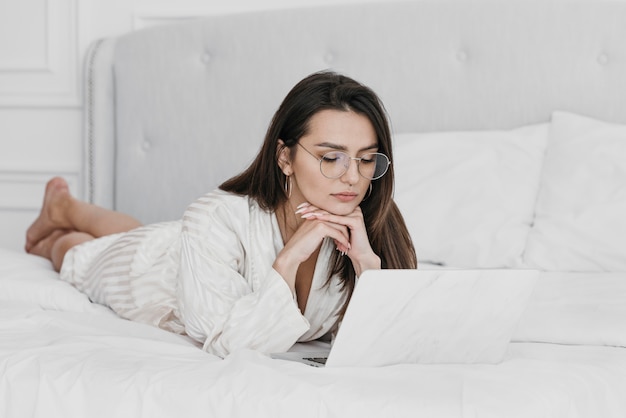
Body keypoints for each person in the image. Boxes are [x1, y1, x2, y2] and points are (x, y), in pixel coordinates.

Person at [25, 71, 417, 357]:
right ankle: (61, 216)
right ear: (285, 157)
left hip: (188, 248)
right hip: (151, 274)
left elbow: (378, 347)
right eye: (331, 157)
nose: (353, 177)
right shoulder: (215, 217)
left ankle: (66, 208)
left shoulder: (372, 230)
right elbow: (230, 343)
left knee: (147, 232)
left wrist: (368, 270)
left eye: (366, 160)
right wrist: (288, 260)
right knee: (78, 255)